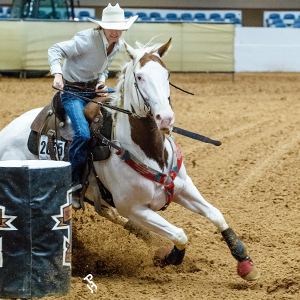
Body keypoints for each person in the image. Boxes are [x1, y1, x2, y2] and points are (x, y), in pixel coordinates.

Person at [48, 4, 138, 198]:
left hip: (92, 90)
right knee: (82, 134)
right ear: (102, 27)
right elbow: (55, 50)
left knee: (128, 102)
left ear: (124, 28)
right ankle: (73, 181)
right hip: (72, 92)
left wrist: (101, 82)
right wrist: (57, 74)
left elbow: (103, 68)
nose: (115, 32)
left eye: (119, 28)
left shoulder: (118, 44)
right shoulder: (86, 40)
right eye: (110, 27)